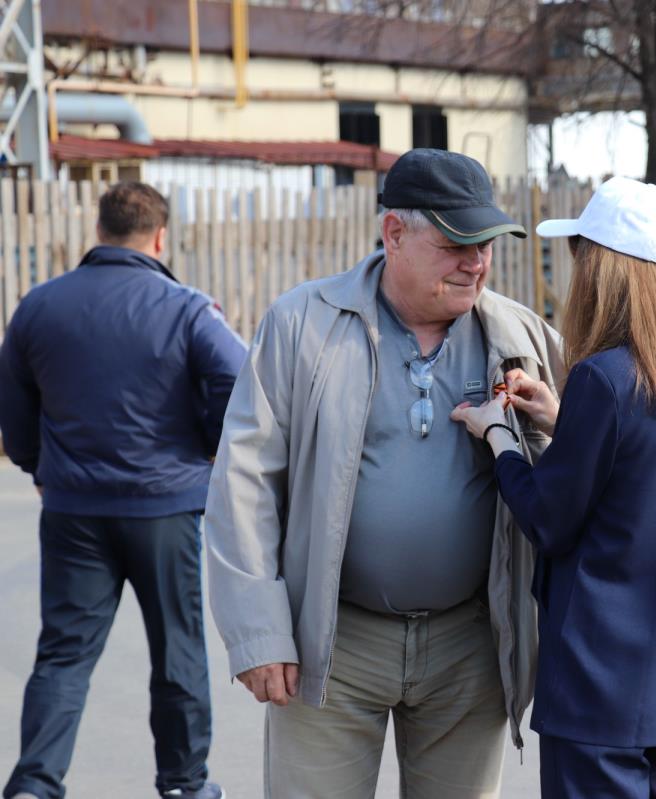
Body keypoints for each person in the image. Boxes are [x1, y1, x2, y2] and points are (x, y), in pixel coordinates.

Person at [204, 148, 564, 798]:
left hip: (469, 647)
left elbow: (587, 473)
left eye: (485, 243)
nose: (477, 261)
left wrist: (553, 422)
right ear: (394, 232)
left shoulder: (521, 336)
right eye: (457, 242)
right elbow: (245, 480)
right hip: (332, 644)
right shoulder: (301, 324)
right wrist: (258, 630)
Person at [451, 176, 656, 798]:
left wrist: (499, 437)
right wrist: (565, 420)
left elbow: (549, 518)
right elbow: (652, 464)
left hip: (604, 690)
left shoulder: (605, 379)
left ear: (603, 269)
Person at [0, 182, 245, 799]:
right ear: (160, 236)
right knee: (180, 652)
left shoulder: (39, 306)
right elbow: (240, 379)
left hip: (73, 511)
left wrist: (39, 466)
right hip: (164, 509)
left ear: (100, 230)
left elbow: (13, 405)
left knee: (63, 655)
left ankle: (33, 785)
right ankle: (185, 785)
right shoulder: (187, 308)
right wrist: (208, 446)